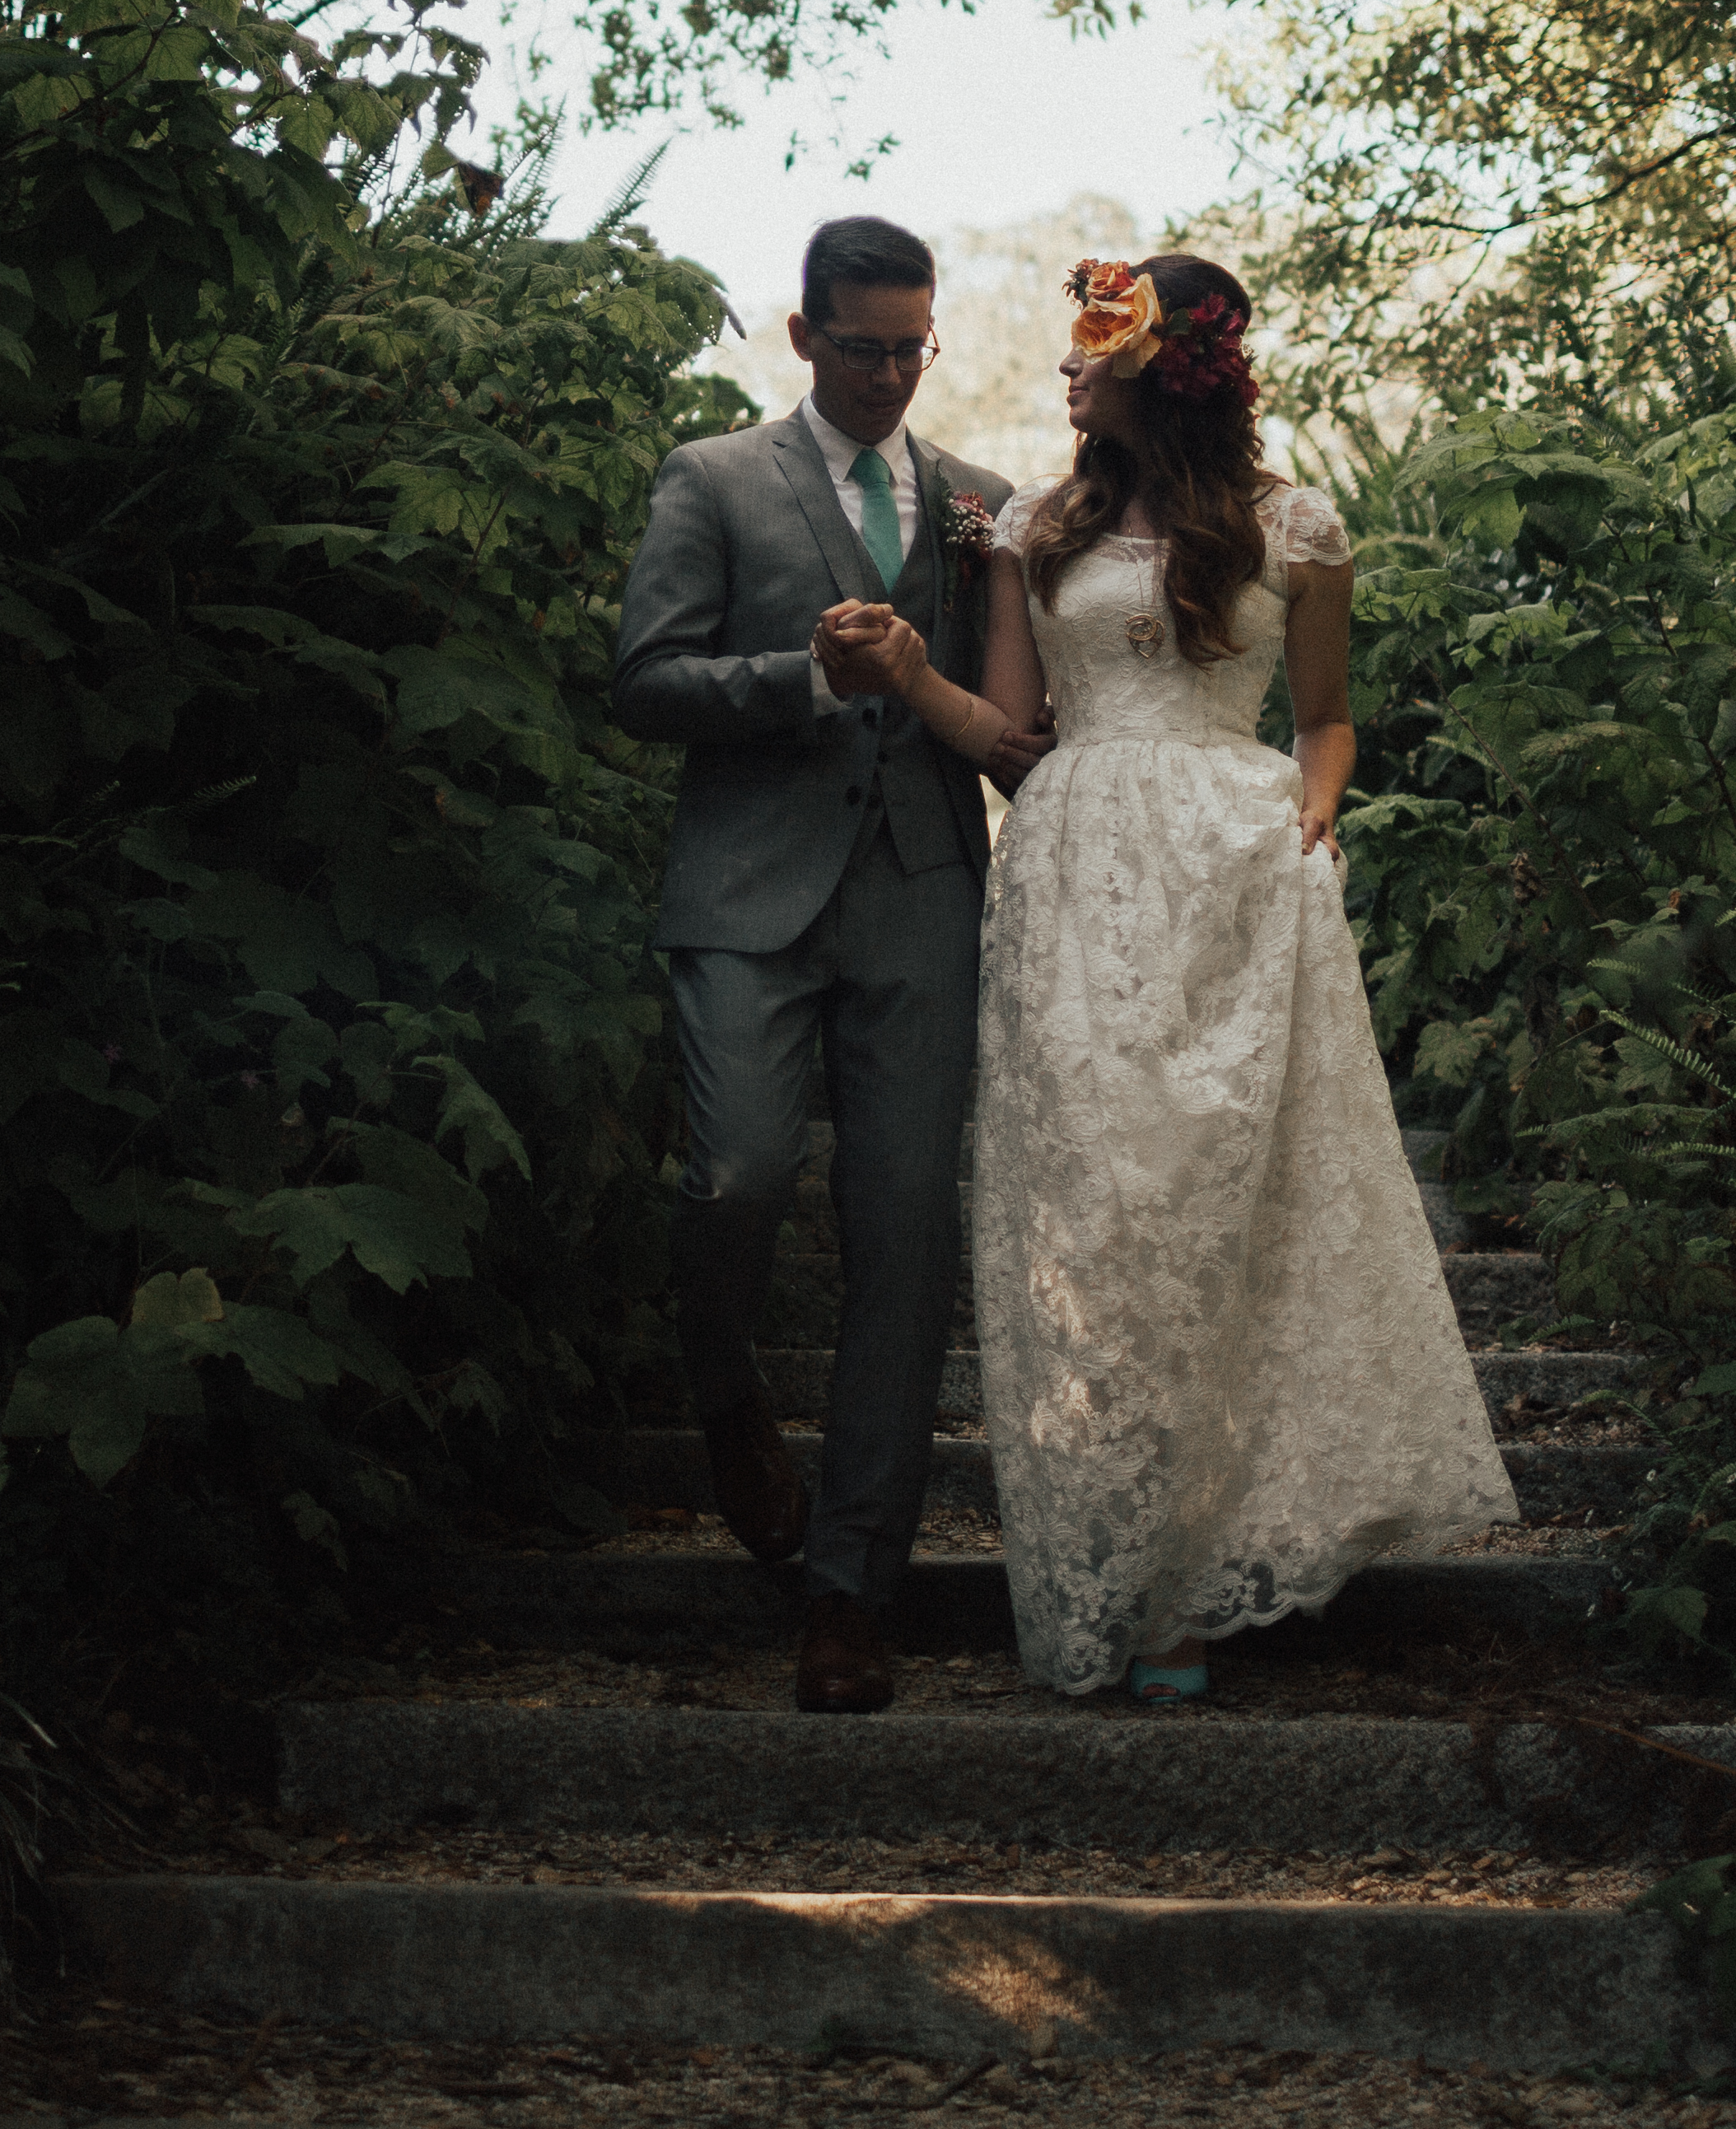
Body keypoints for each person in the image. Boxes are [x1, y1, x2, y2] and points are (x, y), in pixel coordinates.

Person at [815, 250, 1514, 1699]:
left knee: (1220, 1214)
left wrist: (1317, 811)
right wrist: (901, 677)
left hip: (1241, 873)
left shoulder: (1300, 530)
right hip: (1074, 877)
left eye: (1098, 341)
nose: (1069, 365)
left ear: (1170, 363)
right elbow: (1013, 734)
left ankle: (1203, 1566)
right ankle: (1116, 1563)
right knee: (1095, 1216)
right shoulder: (1037, 525)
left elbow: (1327, 722)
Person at [606, 216, 1046, 1714]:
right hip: (745, 900)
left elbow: (1010, 722)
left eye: (911, 349)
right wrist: (804, 675)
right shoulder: (713, 477)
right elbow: (643, 681)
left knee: (906, 1238)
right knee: (731, 1178)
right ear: (802, 337)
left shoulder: (983, 505)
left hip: (922, 903)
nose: (886, 375)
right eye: (859, 347)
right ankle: (725, 1390)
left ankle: (853, 1586)